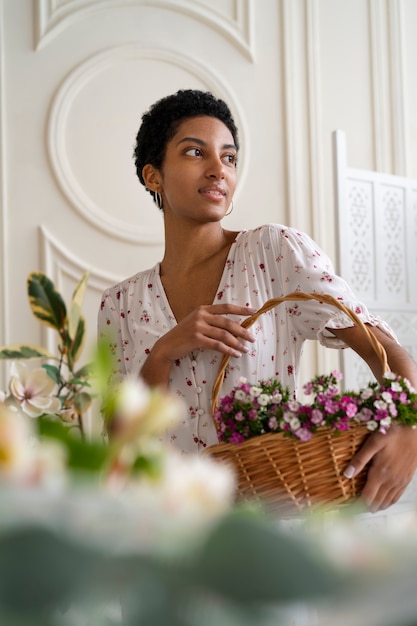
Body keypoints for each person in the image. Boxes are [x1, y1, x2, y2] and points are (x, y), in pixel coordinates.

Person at [98, 89, 417, 513]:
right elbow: (121, 443)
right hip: (166, 528)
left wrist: (410, 429)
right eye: (195, 152)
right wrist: (162, 354)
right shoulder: (119, 303)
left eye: (228, 158)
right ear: (153, 176)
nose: (218, 170)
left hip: (271, 521)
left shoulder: (272, 251)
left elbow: (380, 347)